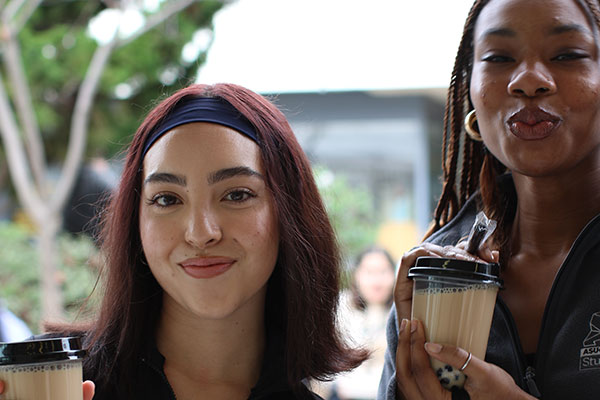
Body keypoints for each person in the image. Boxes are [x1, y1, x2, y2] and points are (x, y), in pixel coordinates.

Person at [0, 83, 368, 399]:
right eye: (167, 199)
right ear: (136, 222)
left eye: (237, 195)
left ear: (288, 212)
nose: (200, 232)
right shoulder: (53, 386)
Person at [377, 0, 600, 399]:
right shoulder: (434, 274)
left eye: (567, 54)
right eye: (499, 57)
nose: (529, 80)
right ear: (470, 91)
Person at [327, 247, 396, 400]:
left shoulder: (402, 314)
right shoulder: (340, 308)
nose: (376, 281)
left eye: (383, 272)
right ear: (356, 275)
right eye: (369, 272)